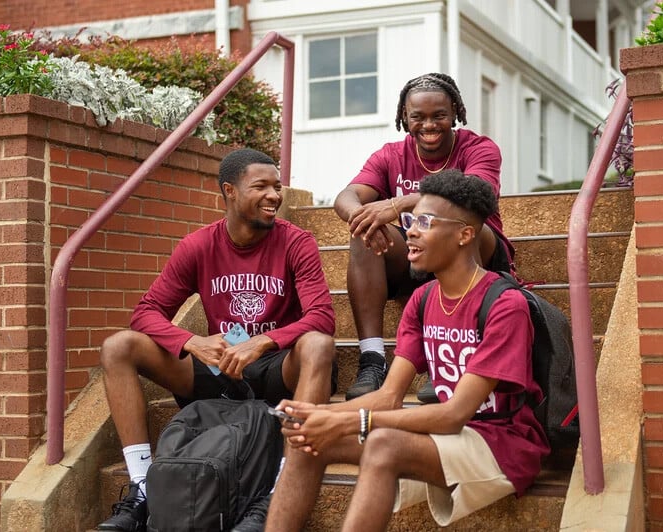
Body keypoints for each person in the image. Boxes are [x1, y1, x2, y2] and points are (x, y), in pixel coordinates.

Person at [265, 170, 548, 531]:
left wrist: (345, 419)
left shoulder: (505, 304)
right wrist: (315, 415)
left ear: (465, 234)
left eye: (425, 222)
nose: (411, 231)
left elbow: (453, 415)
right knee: (308, 438)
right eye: (411, 220)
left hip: (501, 443)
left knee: (384, 444)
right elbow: (387, 397)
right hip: (446, 439)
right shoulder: (423, 299)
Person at [96, 148, 337, 532]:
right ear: (230, 191)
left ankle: (281, 489)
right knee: (118, 346)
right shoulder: (198, 246)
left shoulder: (296, 242)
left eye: (277, 186)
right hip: (220, 367)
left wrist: (263, 342)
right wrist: (192, 342)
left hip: (278, 368)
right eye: (261, 186)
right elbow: (146, 312)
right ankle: (142, 490)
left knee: (319, 345)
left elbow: (322, 318)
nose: (275, 195)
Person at [333, 72, 514, 400]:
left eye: (439, 116)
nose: (429, 125)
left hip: (477, 250)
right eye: (418, 116)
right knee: (365, 232)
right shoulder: (390, 154)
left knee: (447, 223)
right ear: (405, 116)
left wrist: (397, 203)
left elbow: (476, 192)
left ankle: (444, 359)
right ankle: (372, 359)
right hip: (415, 257)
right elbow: (346, 196)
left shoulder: (479, 148)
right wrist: (363, 218)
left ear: (455, 112)